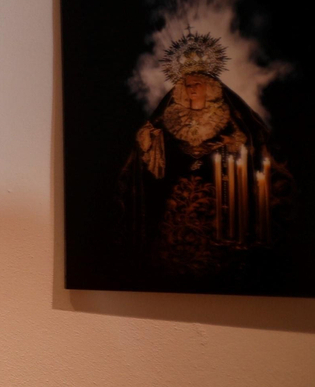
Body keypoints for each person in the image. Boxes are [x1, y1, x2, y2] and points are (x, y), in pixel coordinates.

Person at [117, 28, 288, 280]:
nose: (192, 89)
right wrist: (149, 141)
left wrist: (234, 146)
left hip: (221, 206)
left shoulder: (231, 117)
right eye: (187, 85)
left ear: (210, 87)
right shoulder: (168, 117)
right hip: (175, 211)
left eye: (197, 84)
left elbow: (251, 145)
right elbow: (149, 159)